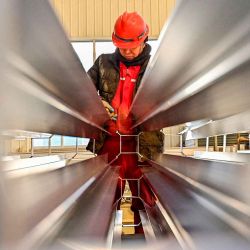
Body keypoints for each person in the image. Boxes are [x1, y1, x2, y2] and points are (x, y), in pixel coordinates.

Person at [87, 12, 164, 233]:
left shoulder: (157, 66)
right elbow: (83, 89)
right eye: (122, 47)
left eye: (132, 47)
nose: (127, 52)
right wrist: (96, 102)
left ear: (144, 39)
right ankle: (106, 239)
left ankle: (146, 238)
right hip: (111, 143)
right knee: (107, 198)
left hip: (143, 146)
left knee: (147, 200)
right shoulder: (103, 63)